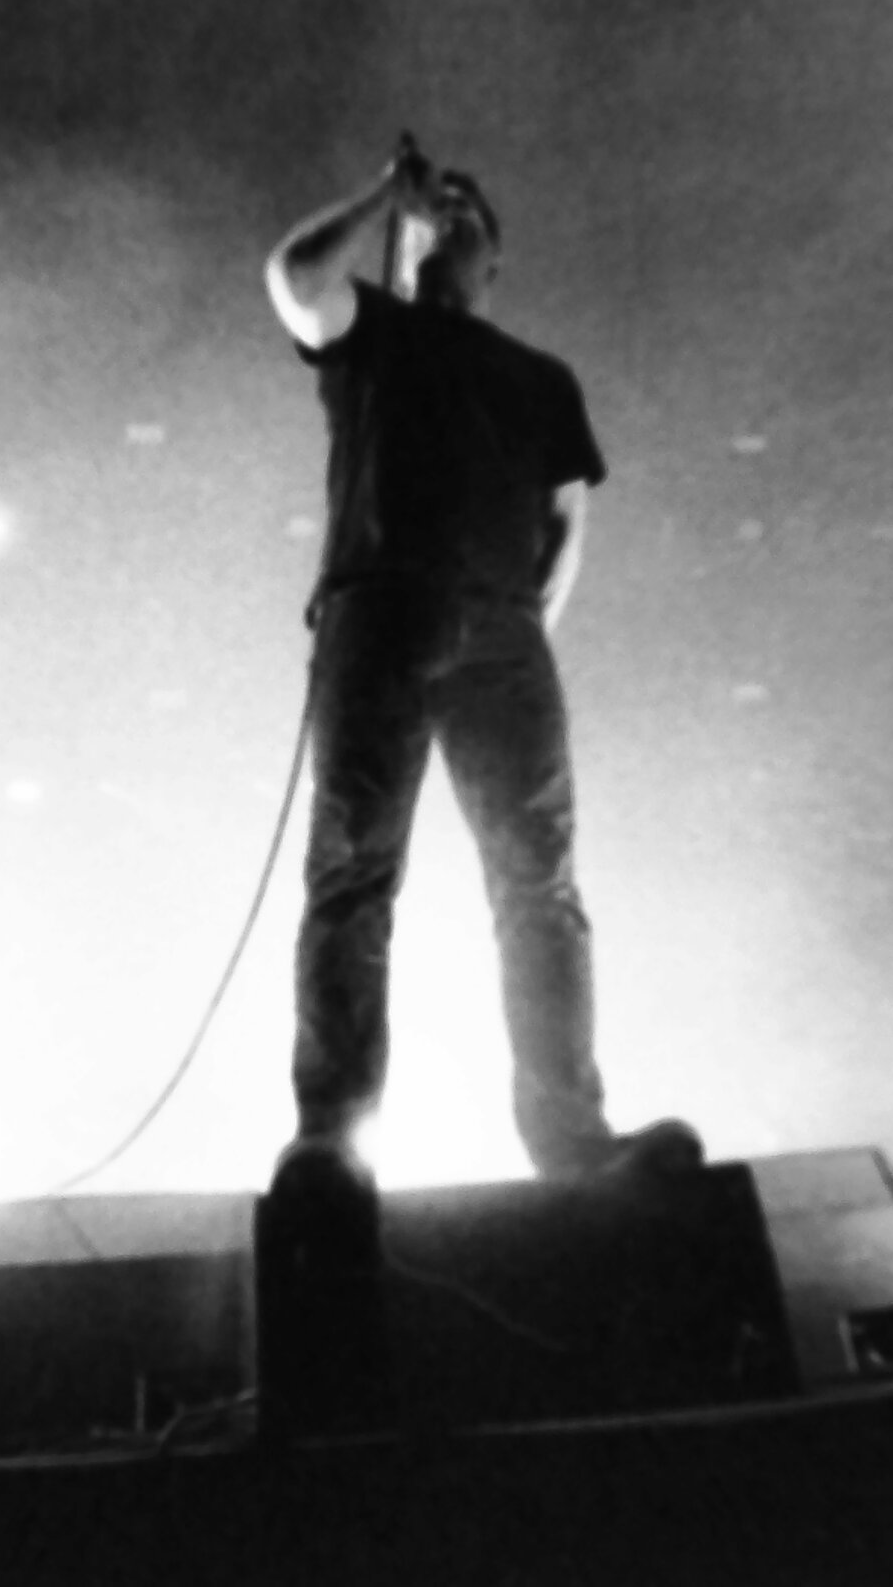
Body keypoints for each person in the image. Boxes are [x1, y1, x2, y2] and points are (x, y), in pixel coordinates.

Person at [262, 139, 699, 1196]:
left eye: (464, 210)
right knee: (354, 872)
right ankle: (332, 1139)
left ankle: (571, 1138)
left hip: (502, 631)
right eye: (433, 207)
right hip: (381, 612)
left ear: (491, 254)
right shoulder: (372, 330)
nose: (441, 215)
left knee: (538, 887)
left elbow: (565, 520)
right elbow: (292, 278)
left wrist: (524, 629)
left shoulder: (539, 377)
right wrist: (381, 197)